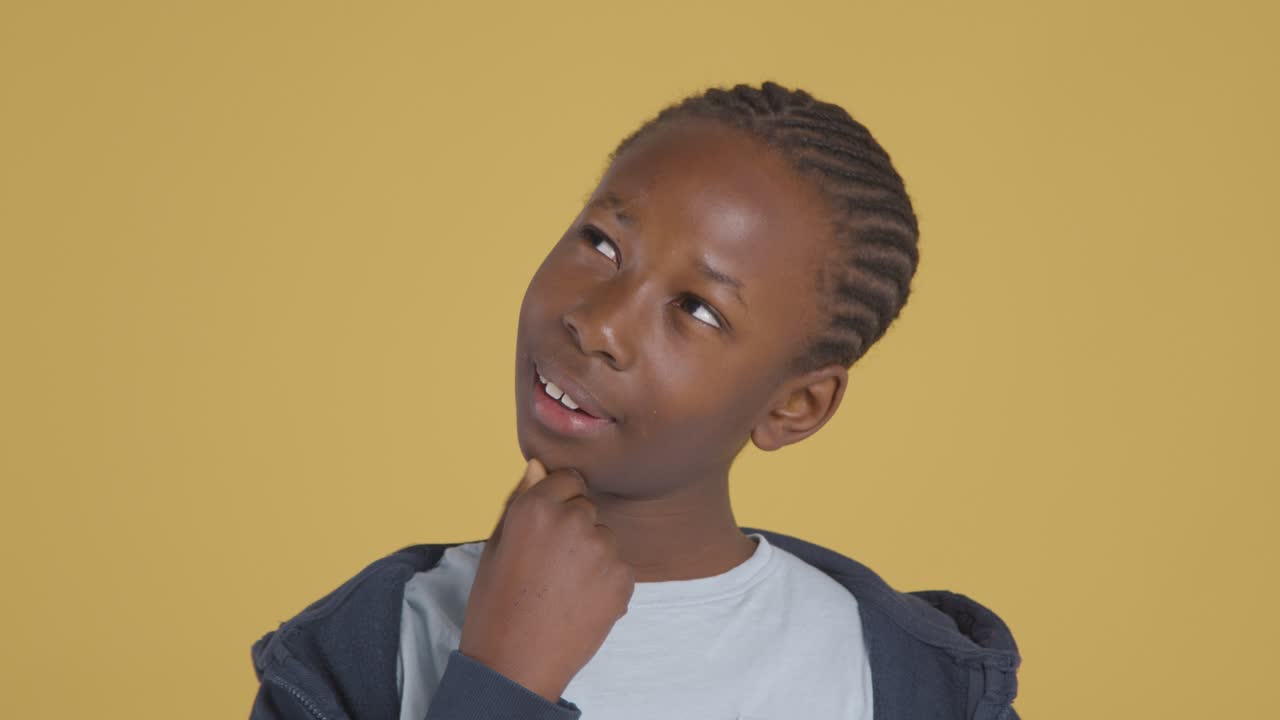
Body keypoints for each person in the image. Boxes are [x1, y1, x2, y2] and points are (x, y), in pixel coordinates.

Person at [248, 81, 1021, 720]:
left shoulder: (918, 687)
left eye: (697, 309)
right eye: (602, 244)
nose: (599, 324)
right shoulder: (362, 649)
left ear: (797, 406)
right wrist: (501, 679)